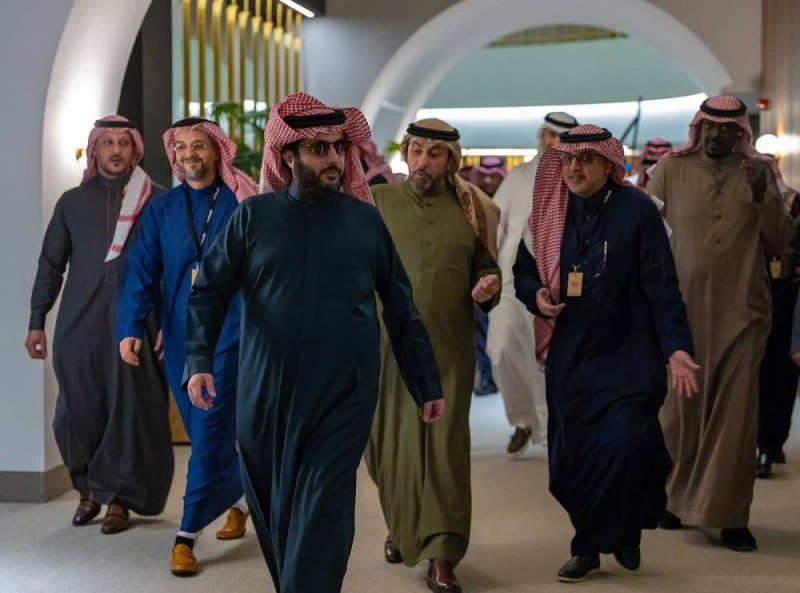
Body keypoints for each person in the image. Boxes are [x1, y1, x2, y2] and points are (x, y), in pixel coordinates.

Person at [182, 92, 444, 593]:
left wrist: (425, 382)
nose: (334, 159)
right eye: (319, 149)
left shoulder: (365, 221)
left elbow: (401, 307)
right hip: (266, 393)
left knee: (324, 507)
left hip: (344, 392)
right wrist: (199, 359)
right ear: (288, 156)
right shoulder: (253, 218)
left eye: (339, 148)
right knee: (277, 511)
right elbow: (208, 291)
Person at [513, 124, 697, 582]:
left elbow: (662, 286)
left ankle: (590, 547)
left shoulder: (639, 211)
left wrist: (676, 347)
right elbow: (523, 271)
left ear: (608, 163)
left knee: (624, 447)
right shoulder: (549, 208)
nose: (573, 168)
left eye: (585, 160)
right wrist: (536, 294)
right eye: (567, 160)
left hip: (630, 356)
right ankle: (615, 529)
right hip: (572, 358)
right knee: (572, 462)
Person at [648, 95, 793, 551]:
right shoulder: (669, 171)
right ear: (699, 128)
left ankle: (729, 516)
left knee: (735, 415)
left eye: (727, 129)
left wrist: (761, 193)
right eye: (709, 126)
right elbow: (647, 238)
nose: (716, 135)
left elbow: (781, 240)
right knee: (678, 411)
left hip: (742, 312)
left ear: (740, 133)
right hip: (680, 313)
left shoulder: (761, 172)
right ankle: (673, 500)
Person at [365, 118, 501, 593]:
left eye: (435, 153)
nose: (423, 161)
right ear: (406, 154)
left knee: (445, 452)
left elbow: (486, 267)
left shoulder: (472, 209)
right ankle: (402, 526)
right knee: (389, 450)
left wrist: (488, 284)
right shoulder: (377, 202)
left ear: (451, 161)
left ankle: (442, 553)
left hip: (448, 351)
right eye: (417, 150)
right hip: (386, 352)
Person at [118, 117, 257, 576]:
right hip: (180, 338)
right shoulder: (162, 209)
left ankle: (186, 535)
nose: (190, 154)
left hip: (232, 332)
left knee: (210, 425)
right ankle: (240, 499)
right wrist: (130, 327)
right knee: (203, 431)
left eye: (199, 145)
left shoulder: (240, 202)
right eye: (181, 147)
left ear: (217, 151)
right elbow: (142, 269)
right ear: (173, 155)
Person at [25, 115, 173, 534]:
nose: (116, 150)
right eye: (107, 142)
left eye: (123, 142)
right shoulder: (72, 202)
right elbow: (50, 265)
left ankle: (119, 499)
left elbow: (171, 267)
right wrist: (37, 320)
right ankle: (89, 489)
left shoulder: (156, 200)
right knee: (75, 410)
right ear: (94, 150)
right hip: (79, 323)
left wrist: (169, 322)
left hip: (137, 324)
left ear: (135, 148)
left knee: (128, 411)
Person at [487, 111, 578, 455]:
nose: (554, 143)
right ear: (542, 136)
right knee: (501, 351)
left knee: (547, 360)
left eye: (562, 138)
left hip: (556, 286)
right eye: (550, 135)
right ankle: (523, 420)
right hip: (511, 283)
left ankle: (551, 430)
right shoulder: (519, 177)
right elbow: (495, 225)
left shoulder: (575, 177)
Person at [472, 156, 506, 396]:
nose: (488, 180)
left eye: (493, 176)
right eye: (484, 176)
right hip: (482, 274)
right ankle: (487, 377)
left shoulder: (507, 199)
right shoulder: (475, 201)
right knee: (482, 330)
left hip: (508, 276)